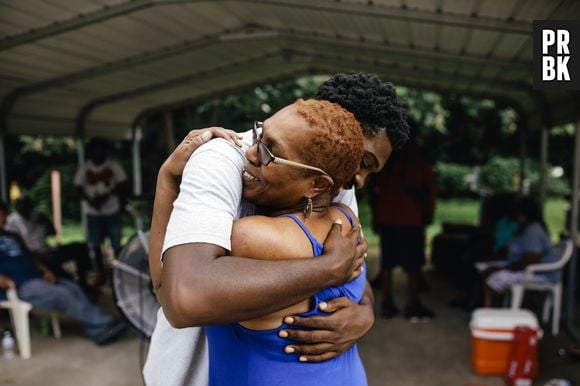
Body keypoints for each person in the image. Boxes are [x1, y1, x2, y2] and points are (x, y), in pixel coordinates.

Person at [144, 73, 410, 386]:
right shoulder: (221, 163)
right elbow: (181, 296)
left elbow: (355, 274)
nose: (359, 178)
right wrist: (329, 268)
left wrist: (365, 313)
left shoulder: (334, 183)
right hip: (192, 372)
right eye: (361, 160)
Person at [0, 201, 126, 345]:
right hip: (18, 285)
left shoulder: (11, 236)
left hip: (35, 277)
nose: (5, 219)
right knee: (63, 295)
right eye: (2, 215)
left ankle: (97, 327)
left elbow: (30, 257)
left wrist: (45, 270)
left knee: (72, 287)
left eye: (4, 215)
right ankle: (101, 325)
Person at [369, 124, 436, 321]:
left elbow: (374, 192)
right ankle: (412, 305)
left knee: (387, 264)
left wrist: (377, 216)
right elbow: (429, 193)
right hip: (411, 221)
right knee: (413, 266)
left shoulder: (387, 162)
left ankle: (386, 304)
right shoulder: (419, 164)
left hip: (389, 219)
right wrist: (427, 214)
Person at [5, 196, 93, 296]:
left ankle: (83, 281)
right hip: (34, 255)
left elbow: (53, 232)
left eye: (27, 206)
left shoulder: (37, 216)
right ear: (17, 207)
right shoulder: (11, 221)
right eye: (21, 206)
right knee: (60, 275)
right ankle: (70, 284)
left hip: (47, 250)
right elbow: (18, 246)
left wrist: (46, 221)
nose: (24, 208)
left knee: (79, 247)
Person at [484, 196, 558, 306]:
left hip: (540, 274)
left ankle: (495, 314)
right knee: (487, 269)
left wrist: (505, 268)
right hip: (525, 268)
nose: (516, 217)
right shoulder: (523, 227)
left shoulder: (533, 230)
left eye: (518, 213)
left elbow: (530, 261)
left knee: (495, 279)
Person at [74, 138, 127, 286]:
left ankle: (119, 273)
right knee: (95, 245)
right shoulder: (85, 167)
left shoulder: (113, 165)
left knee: (116, 244)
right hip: (93, 212)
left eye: (101, 149)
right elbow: (78, 186)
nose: (98, 153)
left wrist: (107, 196)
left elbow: (122, 183)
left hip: (112, 210)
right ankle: (100, 274)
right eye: (95, 150)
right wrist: (91, 201)